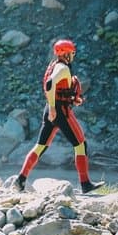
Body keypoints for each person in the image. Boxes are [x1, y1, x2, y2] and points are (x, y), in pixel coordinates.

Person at [14, 39, 103, 194]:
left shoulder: (54, 65)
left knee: (40, 146)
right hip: (60, 111)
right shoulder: (63, 68)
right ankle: (85, 184)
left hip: (50, 109)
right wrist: (55, 108)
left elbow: (51, 86)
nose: (73, 55)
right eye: (71, 52)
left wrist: (54, 106)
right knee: (81, 144)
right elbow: (49, 84)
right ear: (66, 54)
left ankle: (20, 180)